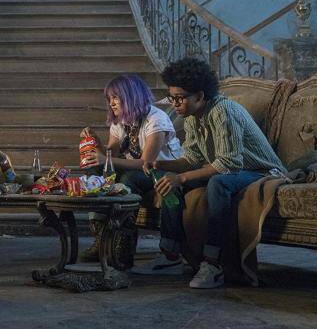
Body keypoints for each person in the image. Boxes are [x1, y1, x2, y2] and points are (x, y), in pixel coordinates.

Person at [135, 57, 285, 289]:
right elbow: (193, 159)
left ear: (199, 96)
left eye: (179, 98)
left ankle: (213, 264)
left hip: (261, 171)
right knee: (167, 182)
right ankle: (170, 256)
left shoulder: (223, 111)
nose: (174, 104)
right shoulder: (191, 117)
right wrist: (161, 165)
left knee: (218, 183)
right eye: (171, 97)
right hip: (234, 170)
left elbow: (228, 163)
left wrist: (181, 178)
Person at [79, 74, 182, 261]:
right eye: (109, 98)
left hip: (161, 170)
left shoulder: (156, 119)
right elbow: (111, 157)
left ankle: (124, 242)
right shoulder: (120, 121)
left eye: (115, 97)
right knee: (94, 172)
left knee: (128, 179)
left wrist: (104, 159)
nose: (111, 103)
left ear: (131, 96)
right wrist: (96, 142)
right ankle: (101, 239)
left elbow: (145, 163)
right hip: (136, 170)